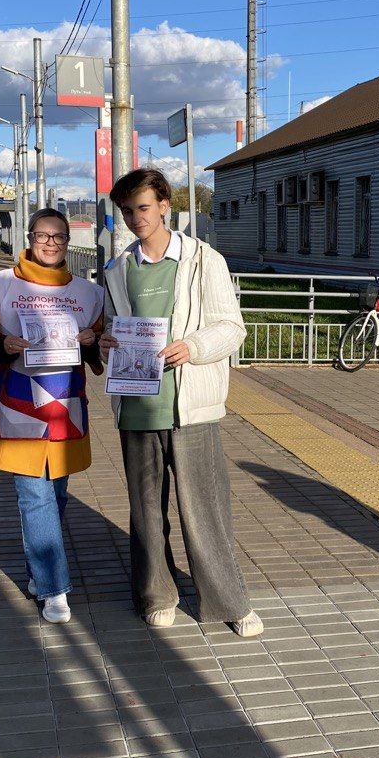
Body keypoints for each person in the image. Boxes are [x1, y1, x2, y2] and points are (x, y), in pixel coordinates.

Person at [99, 168, 262, 638]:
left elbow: (232, 328)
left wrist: (191, 346)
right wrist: (109, 342)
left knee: (206, 508)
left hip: (191, 406)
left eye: (143, 208)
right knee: (146, 510)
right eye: (127, 211)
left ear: (165, 205)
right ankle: (157, 594)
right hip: (137, 406)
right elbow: (112, 326)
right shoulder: (117, 270)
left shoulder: (202, 260)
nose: (135, 219)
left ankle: (229, 600)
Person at [0, 208, 104, 623]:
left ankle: (37, 572)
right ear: (29, 237)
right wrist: (1, 343)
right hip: (17, 407)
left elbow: (99, 341)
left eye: (59, 236)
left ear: (66, 241)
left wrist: (93, 339)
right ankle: (53, 589)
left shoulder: (87, 293)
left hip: (66, 409)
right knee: (35, 495)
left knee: (55, 494)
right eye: (43, 235)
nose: (51, 243)